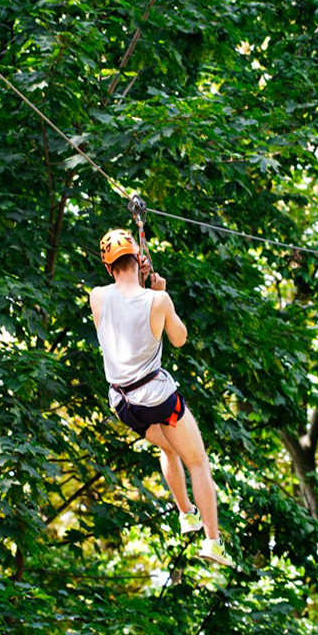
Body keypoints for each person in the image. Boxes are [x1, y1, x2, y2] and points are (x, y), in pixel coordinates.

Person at [89, 227, 232, 567]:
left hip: (122, 403)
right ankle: (213, 541)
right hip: (157, 397)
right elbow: (180, 339)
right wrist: (161, 296)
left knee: (169, 447)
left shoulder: (97, 296)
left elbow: (117, 310)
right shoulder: (158, 300)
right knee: (198, 461)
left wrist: (149, 290)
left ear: (109, 268)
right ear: (140, 261)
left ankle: (186, 513)